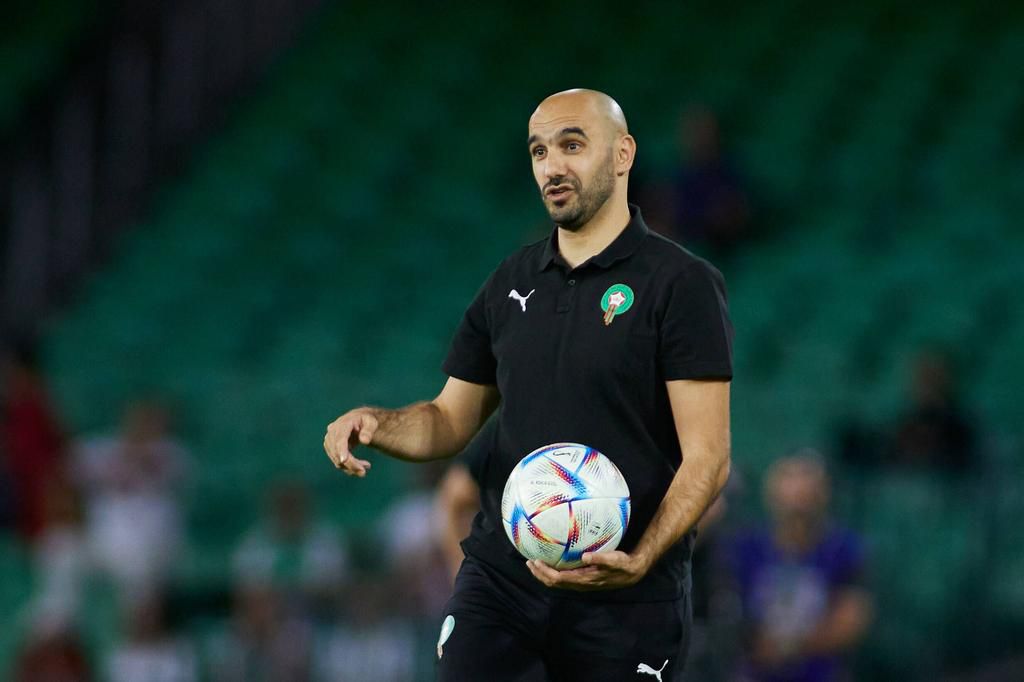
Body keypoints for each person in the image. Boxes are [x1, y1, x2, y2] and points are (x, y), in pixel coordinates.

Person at [323, 88, 733, 681]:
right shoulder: (510, 281)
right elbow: (448, 420)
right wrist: (377, 423)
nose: (552, 166)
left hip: (629, 598)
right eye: (540, 151)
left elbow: (709, 458)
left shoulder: (681, 284)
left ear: (623, 155)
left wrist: (641, 558)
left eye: (572, 145)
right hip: (504, 581)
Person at [729, 453, 873, 682]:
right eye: (789, 480)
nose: (799, 493)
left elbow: (853, 617)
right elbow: (726, 610)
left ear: (825, 492)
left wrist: (787, 649)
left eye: (807, 481)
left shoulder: (844, 549)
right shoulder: (745, 548)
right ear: (770, 491)